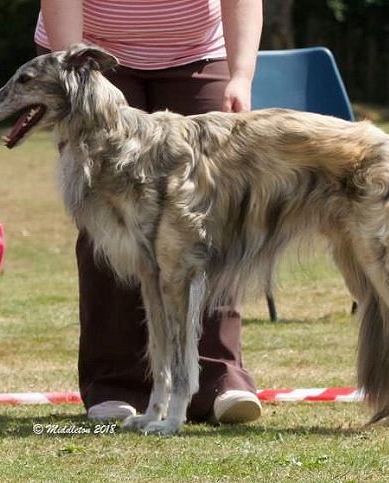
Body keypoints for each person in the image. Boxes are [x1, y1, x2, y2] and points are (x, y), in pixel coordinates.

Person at [35, 0, 263, 424]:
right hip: (93, 60)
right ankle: (116, 383)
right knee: (107, 217)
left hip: (198, 55)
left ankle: (218, 379)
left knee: (206, 222)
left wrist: (241, 75)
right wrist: (76, 80)